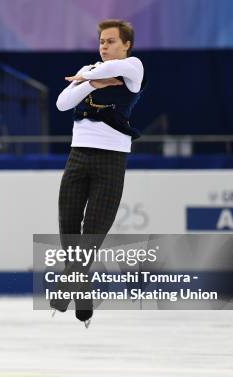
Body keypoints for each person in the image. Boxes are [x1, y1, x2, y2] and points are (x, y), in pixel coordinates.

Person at [53, 19, 146, 326]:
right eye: (101, 42)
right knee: (68, 225)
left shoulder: (133, 67)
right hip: (77, 156)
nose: (104, 47)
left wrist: (88, 77)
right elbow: (62, 103)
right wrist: (91, 82)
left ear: (126, 44)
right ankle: (82, 289)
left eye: (110, 41)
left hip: (111, 160)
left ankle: (70, 283)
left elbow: (108, 71)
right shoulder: (92, 71)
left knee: (92, 232)